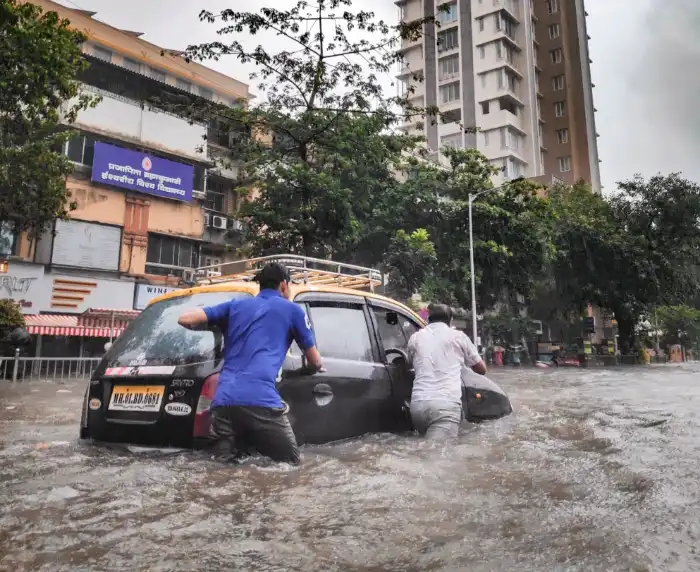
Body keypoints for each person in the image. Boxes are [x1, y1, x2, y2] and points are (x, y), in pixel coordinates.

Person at [177, 262, 323, 464]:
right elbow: (315, 361)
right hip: (261, 400)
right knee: (292, 466)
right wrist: (308, 369)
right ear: (283, 285)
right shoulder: (293, 311)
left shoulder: (235, 306)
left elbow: (185, 319)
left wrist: (217, 326)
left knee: (223, 468)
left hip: (224, 401)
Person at [407, 304, 487, 439]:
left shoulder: (415, 338)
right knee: (437, 455)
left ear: (429, 320)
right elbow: (481, 369)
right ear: (450, 321)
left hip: (417, 406)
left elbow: (410, 364)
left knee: (424, 450)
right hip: (445, 408)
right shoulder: (458, 337)